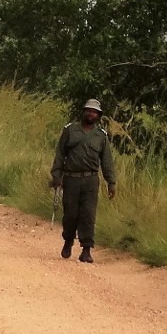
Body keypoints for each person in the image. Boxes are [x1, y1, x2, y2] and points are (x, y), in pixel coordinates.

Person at [50, 99, 116, 263]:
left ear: (98, 115)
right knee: (70, 214)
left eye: (94, 112)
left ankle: (86, 249)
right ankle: (68, 241)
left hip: (91, 180)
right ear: (84, 112)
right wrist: (56, 175)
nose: (91, 114)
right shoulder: (70, 130)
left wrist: (111, 182)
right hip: (71, 179)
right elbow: (60, 154)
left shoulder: (101, 136)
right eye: (88, 110)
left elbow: (107, 161)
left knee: (88, 215)